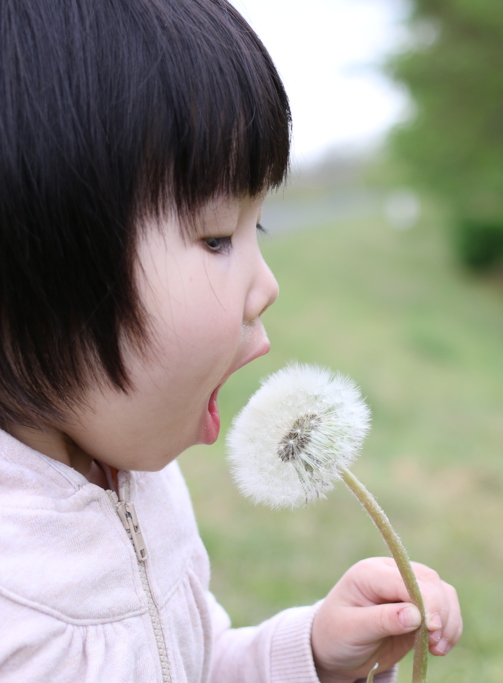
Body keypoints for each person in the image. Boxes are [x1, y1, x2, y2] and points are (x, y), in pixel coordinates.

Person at [0, 1, 462, 681]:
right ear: (34, 264)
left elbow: (189, 661)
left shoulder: (143, 483)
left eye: (257, 230)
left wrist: (310, 655)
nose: (265, 284)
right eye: (217, 237)